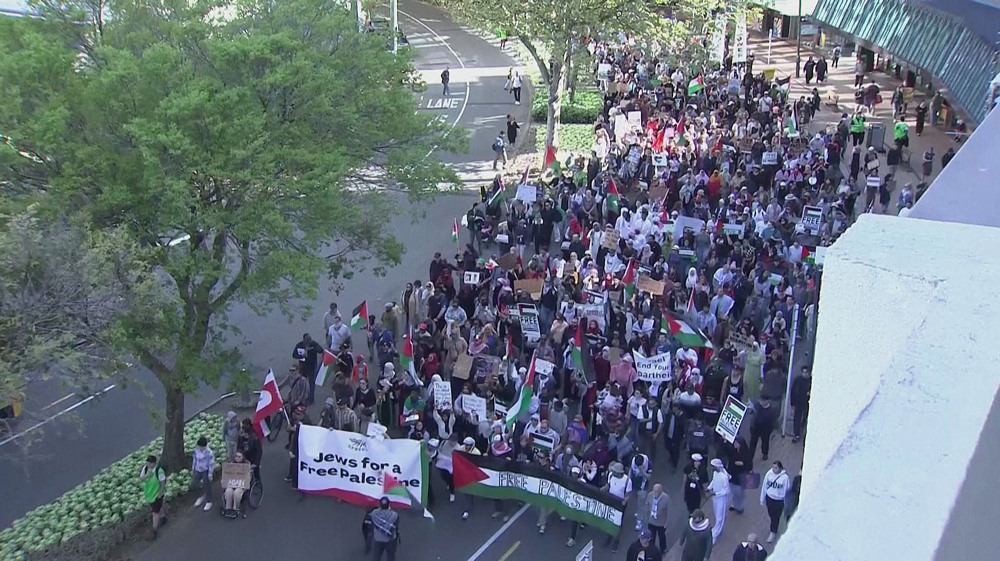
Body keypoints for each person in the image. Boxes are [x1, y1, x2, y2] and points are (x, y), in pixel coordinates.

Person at [603, 461, 633, 553]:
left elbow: (628, 494)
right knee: (609, 519)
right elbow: (609, 485)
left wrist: (625, 501)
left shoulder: (627, 481)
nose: (614, 473)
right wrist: (604, 488)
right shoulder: (611, 475)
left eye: (616, 472)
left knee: (618, 523)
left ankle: (616, 541)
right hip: (611, 500)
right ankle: (609, 536)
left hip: (620, 503)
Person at [760, 461, 790, 542]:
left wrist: (786, 503)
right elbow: (764, 486)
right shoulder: (769, 474)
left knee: (775, 517)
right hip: (769, 498)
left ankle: (773, 532)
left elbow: (786, 490)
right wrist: (762, 498)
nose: (774, 469)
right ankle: (773, 527)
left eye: (776, 468)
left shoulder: (785, 478)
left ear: (780, 468)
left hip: (779, 500)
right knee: (771, 514)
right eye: (773, 467)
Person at [139, 454, 167, 539]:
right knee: (158, 508)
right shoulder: (145, 469)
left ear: (154, 463)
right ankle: (163, 518)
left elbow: (162, 483)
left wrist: (159, 494)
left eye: (151, 463)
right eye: (148, 462)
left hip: (157, 495)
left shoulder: (159, 471)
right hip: (150, 494)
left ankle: (154, 530)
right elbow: (141, 478)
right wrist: (147, 475)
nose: (149, 464)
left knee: (155, 512)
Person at [293, 333, 323, 404]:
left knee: (311, 383)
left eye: (309, 340)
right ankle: (302, 396)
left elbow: (321, 350)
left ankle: (311, 399)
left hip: (311, 367)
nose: (308, 342)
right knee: (302, 382)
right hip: (303, 367)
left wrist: (313, 348)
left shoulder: (313, 344)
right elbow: (294, 355)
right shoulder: (299, 345)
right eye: (306, 340)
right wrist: (301, 356)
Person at [706, 458, 730, 543]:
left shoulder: (724, 477)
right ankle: (716, 530)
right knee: (716, 515)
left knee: (720, 517)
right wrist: (709, 488)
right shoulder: (715, 473)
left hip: (721, 499)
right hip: (715, 498)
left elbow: (726, 491)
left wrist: (717, 494)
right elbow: (713, 481)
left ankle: (715, 535)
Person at [370, 497, 400, 561]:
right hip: (390, 540)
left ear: (380, 505)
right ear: (389, 505)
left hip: (377, 538)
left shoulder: (374, 513)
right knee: (391, 556)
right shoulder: (394, 515)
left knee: (376, 556)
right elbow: (396, 525)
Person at [642, 483, 669, 552]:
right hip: (651, 521)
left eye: (657, 491)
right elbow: (647, 506)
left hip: (661, 523)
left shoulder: (666, 498)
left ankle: (663, 549)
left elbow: (669, 511)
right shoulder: (650, 495)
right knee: (651, 537)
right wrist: (646, 516)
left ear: (661, 491)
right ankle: (651, 549)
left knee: (662, 537)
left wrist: (667, 523)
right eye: (654, 491)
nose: (655, 493)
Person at [222, 451, 250, 517]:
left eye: (239, 457)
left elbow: (248, 478)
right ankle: (228, 508)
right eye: (236, 456)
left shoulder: (246, 465)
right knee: (228, 491)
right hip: (232, 483)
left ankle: (235, 509)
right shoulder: (231, 464)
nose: (237, 458)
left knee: (237, 492)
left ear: (243, 457)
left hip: (241, 485)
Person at [191, 436, 215, 512]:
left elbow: (211, 464)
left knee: (207, 485)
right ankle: (201, 495)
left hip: (206, 470)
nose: (200, 448)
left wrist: (210, 474)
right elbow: (195, 459)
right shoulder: (196, 450)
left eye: (201, 447)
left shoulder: (209, 453)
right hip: (198, 469)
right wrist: (193, 468)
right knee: (194, 484)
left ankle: (209, 501)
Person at [790, 366, 811, 442]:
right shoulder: (797, 380)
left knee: (805, 418)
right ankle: (796, 434)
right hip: (798, 402)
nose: (805, 374)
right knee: (797, 418)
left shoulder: (811, 381)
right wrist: (792, 403)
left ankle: (803, 432)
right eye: (803, 372)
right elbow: (793, 391)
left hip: (807, 402)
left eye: (806, 372)